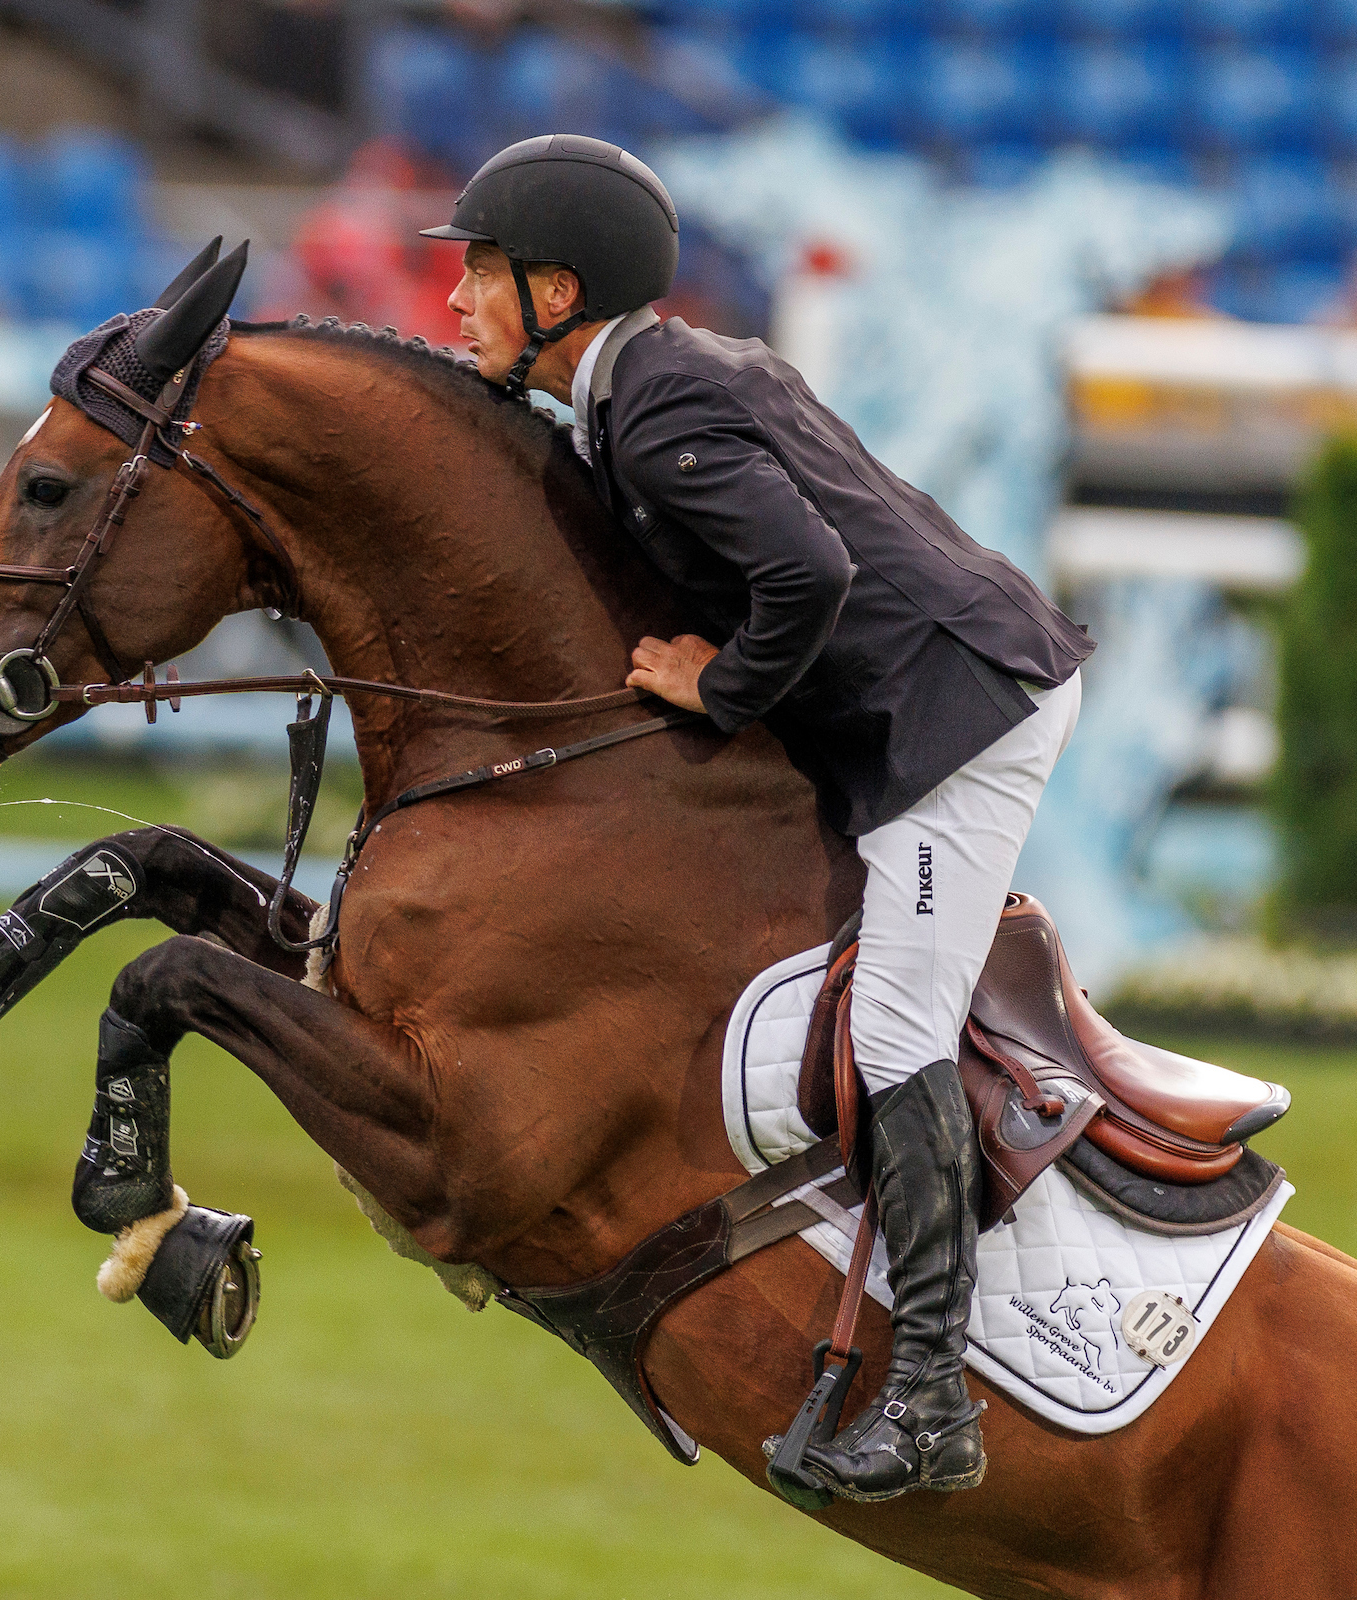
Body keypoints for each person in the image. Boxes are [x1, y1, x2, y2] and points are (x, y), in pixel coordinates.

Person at [425, 135, 1093, 1503]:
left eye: (481, 273)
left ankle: (934, 1401)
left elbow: (808, 575)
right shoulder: (650, 383)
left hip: (959, 717)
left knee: (894, 1029)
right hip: (937, 687)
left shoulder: (654, 408)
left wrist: (717, 685)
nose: (455, 297)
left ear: (558, 291)